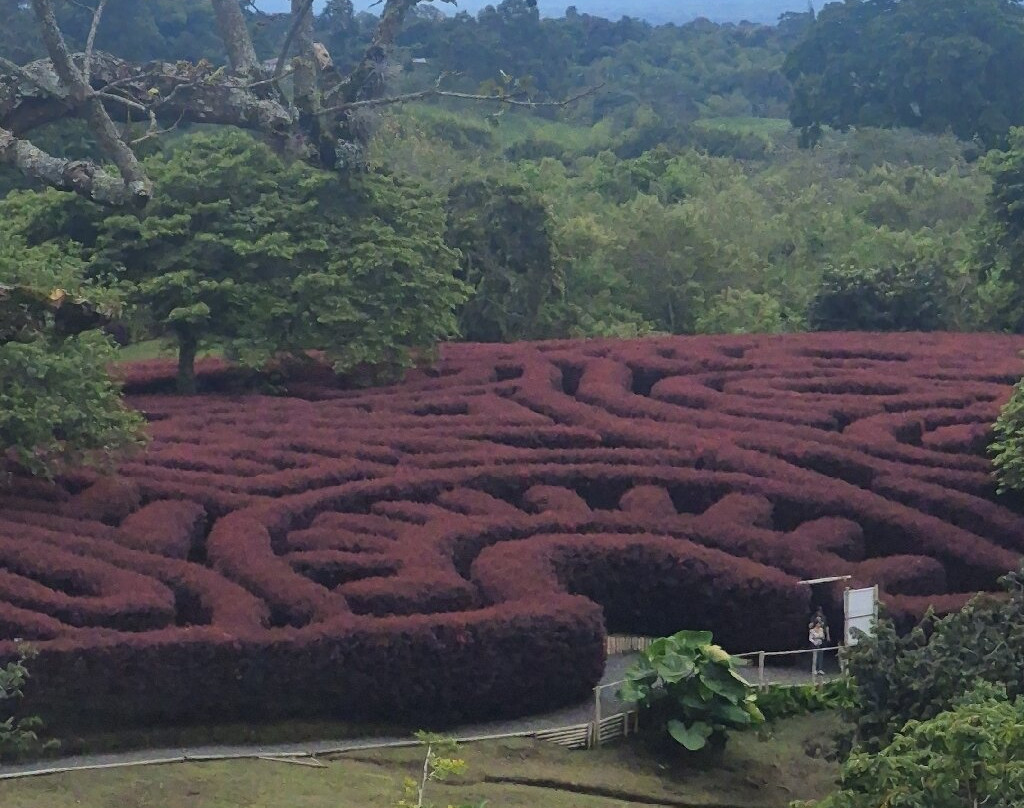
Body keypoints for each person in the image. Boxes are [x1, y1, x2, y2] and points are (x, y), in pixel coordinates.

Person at [808, 607, 830, 675]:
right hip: (814, 640)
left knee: (821, 654)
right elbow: (810, 626)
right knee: (814, 655)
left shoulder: (824, 618)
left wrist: (827, 636)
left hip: (820, 641)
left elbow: (826, 627)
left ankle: (820, 669)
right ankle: (814, 669)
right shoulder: (813, 618)